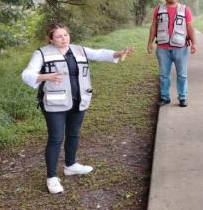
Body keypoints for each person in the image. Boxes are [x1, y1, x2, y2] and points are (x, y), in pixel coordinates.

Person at [22, 23, 134, 194]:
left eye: (66, 35)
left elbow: (99, 53)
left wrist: (118, 53)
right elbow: (27, 75)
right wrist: (46, 76)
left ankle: (70, 165)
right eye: (59, 36)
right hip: (55, 103)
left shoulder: (78, 50)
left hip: (79, 100)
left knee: (74, 133)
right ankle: (51, 177)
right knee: (56, 138)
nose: (63, 39)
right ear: (51, 39)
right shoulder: (42, 53)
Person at [147, 0, 197, 107]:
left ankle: (183, 98)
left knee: (182, 74)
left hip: (181, 48)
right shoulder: (158, 9)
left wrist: (194, 43)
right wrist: (150, 42)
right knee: (164, 75)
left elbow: (189, 27)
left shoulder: (185, 9)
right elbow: (154, 26)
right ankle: (165, 98)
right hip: (163, 48)